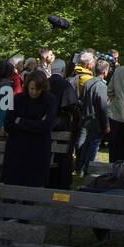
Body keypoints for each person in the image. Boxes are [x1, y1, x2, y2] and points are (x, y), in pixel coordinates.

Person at [0, 69, 57, 187]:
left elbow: (47, 125)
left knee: (33, 187)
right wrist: (36, 124)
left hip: (38, 151)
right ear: (27, 86)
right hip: (17, 150)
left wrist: (20, 121)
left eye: (38, 89)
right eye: (32, 88)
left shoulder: (50, 100)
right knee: (12, 186)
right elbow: (8, 124)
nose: (35, 92)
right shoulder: (16, 99)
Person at [47, 58, 80, 188]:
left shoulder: (45, 83)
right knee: (62, 156)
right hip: (61, 125)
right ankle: (60, 181)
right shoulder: (65, 85)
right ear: (62, 70)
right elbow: (72, 106)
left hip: (46, 124)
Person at [76, 59, 111, 176]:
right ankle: (88, 169)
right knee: (93, 146)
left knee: (84, 145)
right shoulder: (101, 86)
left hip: (85, 118)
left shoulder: (88, 82)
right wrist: (106, 125)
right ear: (105, 71)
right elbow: (103, 107)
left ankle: (80, 168)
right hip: (95, 121)